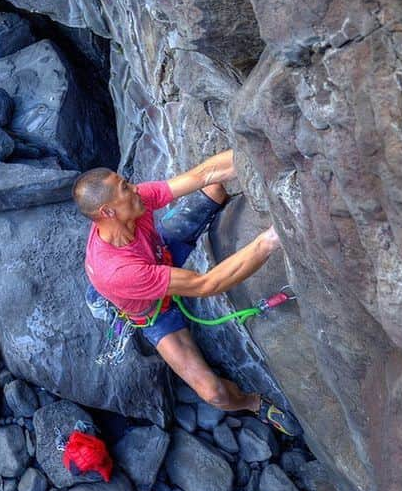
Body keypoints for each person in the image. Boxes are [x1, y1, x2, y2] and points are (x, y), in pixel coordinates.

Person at [73, 150, 303, 436]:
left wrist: (255, 150)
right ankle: (252, 403)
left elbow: (201, 175)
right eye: (125, 189)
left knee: (215, 189)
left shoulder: (130, 206)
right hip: (155, 310)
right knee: (213, 393)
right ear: (107, 212)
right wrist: (270, 239)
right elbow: (206, 284)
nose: (135, 189)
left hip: (160, 256)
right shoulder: (119, 271)